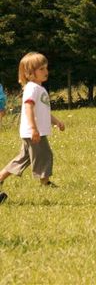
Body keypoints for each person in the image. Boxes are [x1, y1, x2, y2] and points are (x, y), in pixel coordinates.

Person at [0, 52, 65, 203]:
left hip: (33, 131)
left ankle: (1, 177)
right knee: (45, 155)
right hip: (33, 132)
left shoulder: (38, 89)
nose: (46, 71)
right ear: (29, 73)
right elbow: (28, 108)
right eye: (41, 69)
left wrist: (56, 122)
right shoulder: (32, 89)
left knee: (23, 158)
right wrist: (34, 129)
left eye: (46, 68)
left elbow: (44, 111)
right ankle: (45, 182)